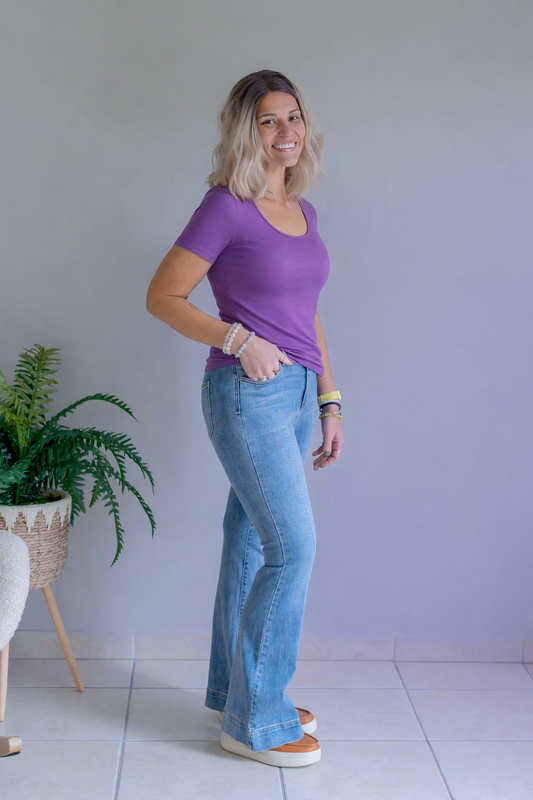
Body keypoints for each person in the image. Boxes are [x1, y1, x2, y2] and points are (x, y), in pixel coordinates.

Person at [146, 69, 344, 768]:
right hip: (245, 393)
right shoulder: (225, 205)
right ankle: (256, 722)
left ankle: (237, 693)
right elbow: (163, 295)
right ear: (245, 130)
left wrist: (329, 398)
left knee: (251, 543)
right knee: (293, 548)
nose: (287, 131)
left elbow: (306, 315)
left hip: (296, 397)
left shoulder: (302, 211)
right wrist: (237, 338)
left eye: (294, 117)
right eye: (269, 120)